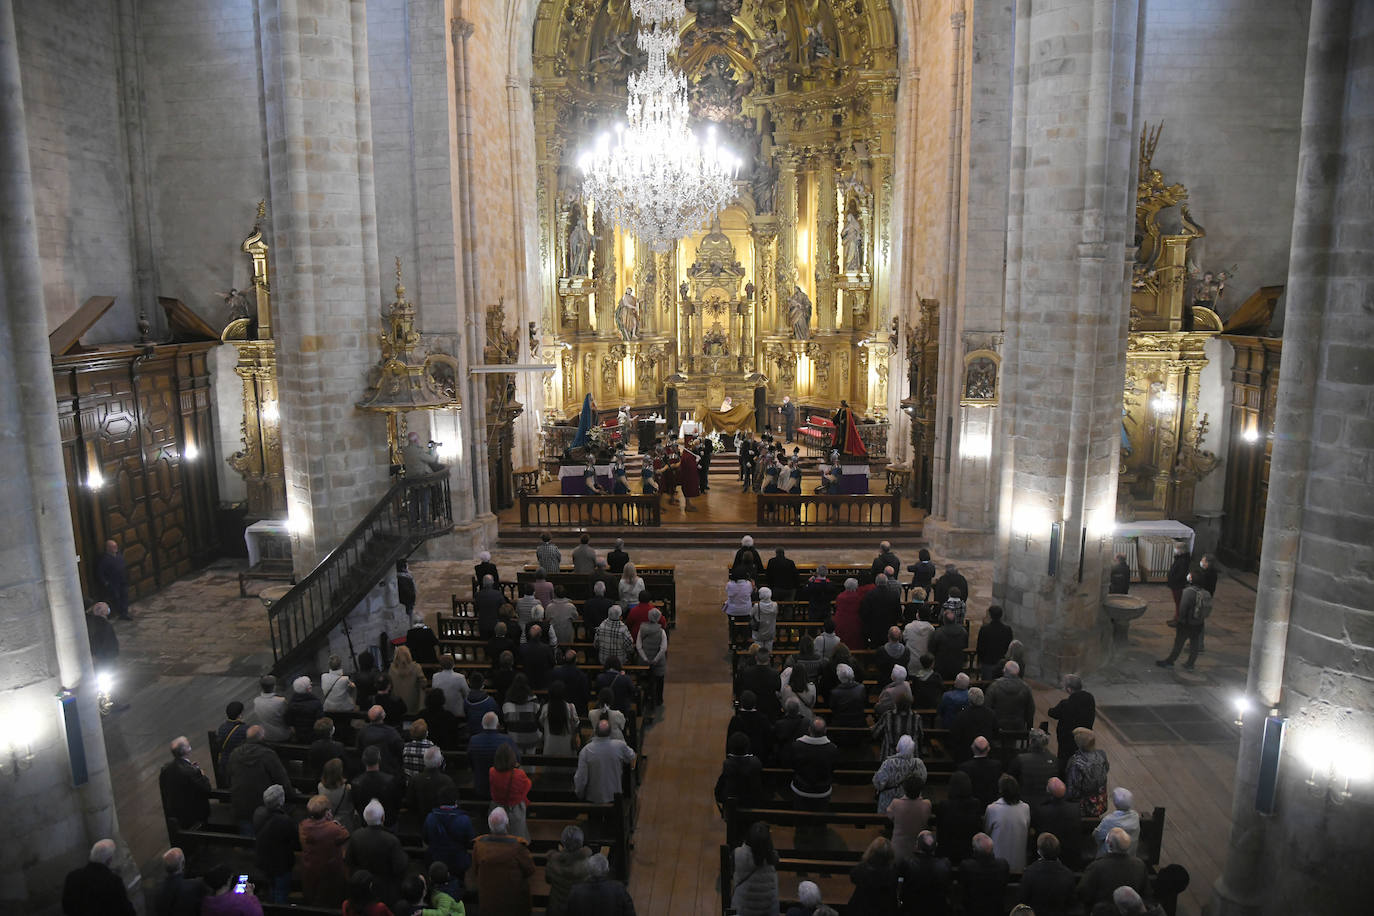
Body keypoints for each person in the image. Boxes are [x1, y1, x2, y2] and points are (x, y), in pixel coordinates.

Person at [473, 807, 536, 914]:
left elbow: (475, 870)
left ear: (490, 825)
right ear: (507, 824)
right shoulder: (518, 847)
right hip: (513, 903)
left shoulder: (479, 846)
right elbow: (530, 870)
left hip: (489, 902)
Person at [227, 726, 289, 834]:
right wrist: (291, 794)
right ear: (262, 737)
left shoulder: (234, 754)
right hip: (264, 804)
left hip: (241, 804)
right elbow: (281, 779)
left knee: (248, 837)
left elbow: (228, 776)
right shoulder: (268, 754)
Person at [789, 718, 839, 844]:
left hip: (801, 790)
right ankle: (820, 839)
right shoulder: (832, 749)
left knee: (800, 820)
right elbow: (833, 769)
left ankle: (801, 837)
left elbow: (793, 765)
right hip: (822, 792)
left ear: (809, 730)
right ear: (825, 731)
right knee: (820, 821)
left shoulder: (797, 746)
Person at [1077, 827, 1148, 909]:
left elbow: (1082, 892)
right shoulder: (1139, 865)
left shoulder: (1096, 866)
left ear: (1108, 843)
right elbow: (1146, 893)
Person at [298, 794, 350, 905]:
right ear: (327, 812)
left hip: (309, 872)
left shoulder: (303, 826)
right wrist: (333, 822)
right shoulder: (334, 829)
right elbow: (345, 834)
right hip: (329, 876)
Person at [62, 839, 134, 916]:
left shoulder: (72, 877)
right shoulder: (113, 882)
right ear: (109, 860)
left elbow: (66, 907)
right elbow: (126, 911)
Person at [251, 784, 297, 903]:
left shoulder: (258, 812)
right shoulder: (284, 820)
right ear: (281, 801)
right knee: (281, 892)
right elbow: (294, 839)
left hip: (263, 860)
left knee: (271, 888)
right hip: (281, 863)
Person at [1157, 567, 1210, 669]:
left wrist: (1179, 621)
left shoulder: (1188, 592)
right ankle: (1190, 663)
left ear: (1191, 579)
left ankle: (1170, 661)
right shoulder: (1206, 593)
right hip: (1199, 623)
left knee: (1179, 643)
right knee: (1194, 644)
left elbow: (1182, 608)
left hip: (1186, 623)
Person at [575, 719, 637, 804]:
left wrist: (580, 794)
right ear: (610, 732)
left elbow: (581, 778)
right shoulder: (619, 745)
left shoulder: (586, 751)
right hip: (615, 796)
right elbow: (632, 755)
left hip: (593, 798)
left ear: (595, 731)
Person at [159, 735, 212, 833]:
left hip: (176, 812)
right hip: (194, 814)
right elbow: (207, 789)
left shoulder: (166, 769)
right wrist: (202, 775)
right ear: (187, 750)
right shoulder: (191, 772)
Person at [423, 784, 474, 885]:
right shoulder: (464, 820)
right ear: (455, 800)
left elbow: (426, 839)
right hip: (458, 861)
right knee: (458, 884)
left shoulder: (430, 818)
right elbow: (470, 841)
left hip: (437, 859)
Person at [1048, 673, 1096, 774]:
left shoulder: (1066, 704)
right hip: (1085, 737)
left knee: (1065, 762)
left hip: (1068, 740)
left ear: (1069, 689)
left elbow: (1052, 713)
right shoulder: (1090, 698)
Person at [730, 822, 780, 916]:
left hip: (742, 909)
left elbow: (732, 874)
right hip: (767, 910)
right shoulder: (772, 859)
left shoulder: (737, 854)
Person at [1020, 833, 1077, 916]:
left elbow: (1023, 900)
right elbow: (1072, 903)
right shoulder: (1068, 874)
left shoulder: (1029, 873)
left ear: (1039, 852)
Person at [984, 774, 1031, 871]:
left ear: (1000, 790)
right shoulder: (1025, 808)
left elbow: (986, 832)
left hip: (998, 864)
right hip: (1018, 863)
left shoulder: (992, 809)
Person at [898, 831, 952, 916]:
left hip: (913, 910)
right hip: (938, 911)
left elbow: (901, 889)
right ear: (936, 846)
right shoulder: (945, 864)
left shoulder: (907, 864)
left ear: (916, 846)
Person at [934, 770, 982, 863]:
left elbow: (939, 829)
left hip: (947, 853)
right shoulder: (975, 804)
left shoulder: (944, 805)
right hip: (969, 853)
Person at [544, 826, 593, 916]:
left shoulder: (552, 862)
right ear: (581, 843)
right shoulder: (587, 865)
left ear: (563, 842)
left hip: (556, 909)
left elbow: (548, 880)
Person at [468, 711, 517, 800]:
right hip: (503, 787)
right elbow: (517, 760)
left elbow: (470, 762)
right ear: (497, 725)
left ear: (482, 725)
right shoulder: (507, 740)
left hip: (481, 786)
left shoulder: (474, 740)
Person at [490, 742, 534, 840]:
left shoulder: (492, 771)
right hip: (515, 808)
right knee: (518, 834)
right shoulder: (519, 774)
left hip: (498, 807)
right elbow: (528, 785)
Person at [959, 833, 1011, 916]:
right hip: (996, 912)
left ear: (974, 849)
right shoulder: (1003, 865)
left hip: (973, 911)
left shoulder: (967, 866)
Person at [873, 733, 927, 812]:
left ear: (898, 748)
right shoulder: (918, 764)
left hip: (889, 804)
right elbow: (923, 781)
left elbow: (878, 784)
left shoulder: (888, 763)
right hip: (912, 804)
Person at [848, 836, 899, 916]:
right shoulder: (892, 871)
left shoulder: (862, 869)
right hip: (884, 910)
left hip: (862, 909)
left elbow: (853, 877)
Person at [1065, 727, 1111, 816]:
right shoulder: (1102, 754)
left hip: (1084, 807)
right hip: (1100, 802)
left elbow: (1073, 789)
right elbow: (1106, 770)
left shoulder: (1076, 762)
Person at [715, 731, 765, 812]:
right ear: (747, 747)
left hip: (732, 807)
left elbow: (719, 790)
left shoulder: (728, 764)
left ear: (730, 747)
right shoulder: (756, 762)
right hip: (753, 803)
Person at [1008, 728, 1059, 807]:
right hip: (1048, 804)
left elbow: (1011, 780)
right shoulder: (1054, 760)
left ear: (1031, 741)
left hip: (1025, 803)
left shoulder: (1020, 759)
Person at [951, 689, 999, 766]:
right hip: (986, 752)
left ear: (969, 700)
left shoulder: (962, 715)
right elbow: (996, 732)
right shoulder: (991, 714)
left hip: (966, 753)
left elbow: (955, 734)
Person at [734, 644, 782, 719]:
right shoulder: (775, 674)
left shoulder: (746, 673)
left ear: (756, 658)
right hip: (769, 708)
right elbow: (778, 688)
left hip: (751, 707)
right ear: (769, 659)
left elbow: (740, 688)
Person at [987, 660, 1035, 733]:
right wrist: (1027, 724)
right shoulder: (1025, 688)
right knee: (1011, 742)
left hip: (997, 724)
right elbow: (1030, 709)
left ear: (1004, 670)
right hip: (1017, 725)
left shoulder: (994, 686)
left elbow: (987, 706)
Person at [872, 690, 921, 760]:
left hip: (889, 757)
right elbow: (920, 737)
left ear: (896, 704)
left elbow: (875, 733)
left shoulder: (888, 716)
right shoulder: (916, 717)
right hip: (911, 758)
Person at [1093, 787, 1142, 857]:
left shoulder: (1109, 820)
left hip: (1109, 856)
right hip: (1130, 854)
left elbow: (1097, 835)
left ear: (1115, 803)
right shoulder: (1135, 816)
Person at [958, 735, 1005, 805]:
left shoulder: (964, 767)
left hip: (971, 806)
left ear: (972, 747)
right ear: (988, 748)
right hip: (991, 802)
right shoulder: (997, 766)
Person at [636, 607, 668, 709]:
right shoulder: (661, 631)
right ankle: (659, 699)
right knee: (659, 680)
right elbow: (663, 648)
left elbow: (638, 645)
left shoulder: (642, 629)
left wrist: (645, 658)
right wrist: (655, 659)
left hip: (644, 661)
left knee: (645, 678)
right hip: (658, 663)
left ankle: (646, 697)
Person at [200, 865, 265, 916]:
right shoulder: (239, 900)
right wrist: (251, 895)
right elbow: (257, 914)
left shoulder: (206, 903)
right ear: (228, 880)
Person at [974, 606, 1014, 679]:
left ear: (990, 615)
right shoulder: (1007, 629)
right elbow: (1009, 646)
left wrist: (980, 661)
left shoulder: (984, 629)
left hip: (987, 662)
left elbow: (980, 647)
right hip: (1001, 662)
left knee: (987, 684)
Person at [96, 539, 131, 619]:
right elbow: (100, 573)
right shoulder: (104, 560)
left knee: (124, 597)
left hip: (123, 581)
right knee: (116, 598)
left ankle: (125, 613)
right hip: (113, 583)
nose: (116, 548)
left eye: (116, 546)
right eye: (113, 547)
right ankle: (119, 613)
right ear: (108, 548)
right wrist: (106, 582)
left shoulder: (119, 555)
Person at [930, 609, 969, 681]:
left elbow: (932, 649)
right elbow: (965, 646)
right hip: (957, 664)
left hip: (941, 666)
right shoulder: (963, 632)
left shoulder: (938, 633)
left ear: (944, 620)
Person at [250, 675, 290, 743]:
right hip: (282, 736)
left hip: (265, 736)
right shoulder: (281, 701)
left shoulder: (256, 701)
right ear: (274, 687)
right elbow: (288, 718)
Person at [1165, 541, 1192, 621]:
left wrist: (1173, 579)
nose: (1175, 550)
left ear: (1182, 550)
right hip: (1176, 585)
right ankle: (1176, 618)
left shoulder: (1183, 560)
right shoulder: (1180, 558)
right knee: (1177, 603)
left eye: (1177, 548)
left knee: (1179, 603)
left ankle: (1178, 619)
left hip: (1178, 585)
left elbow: (1181, 574)